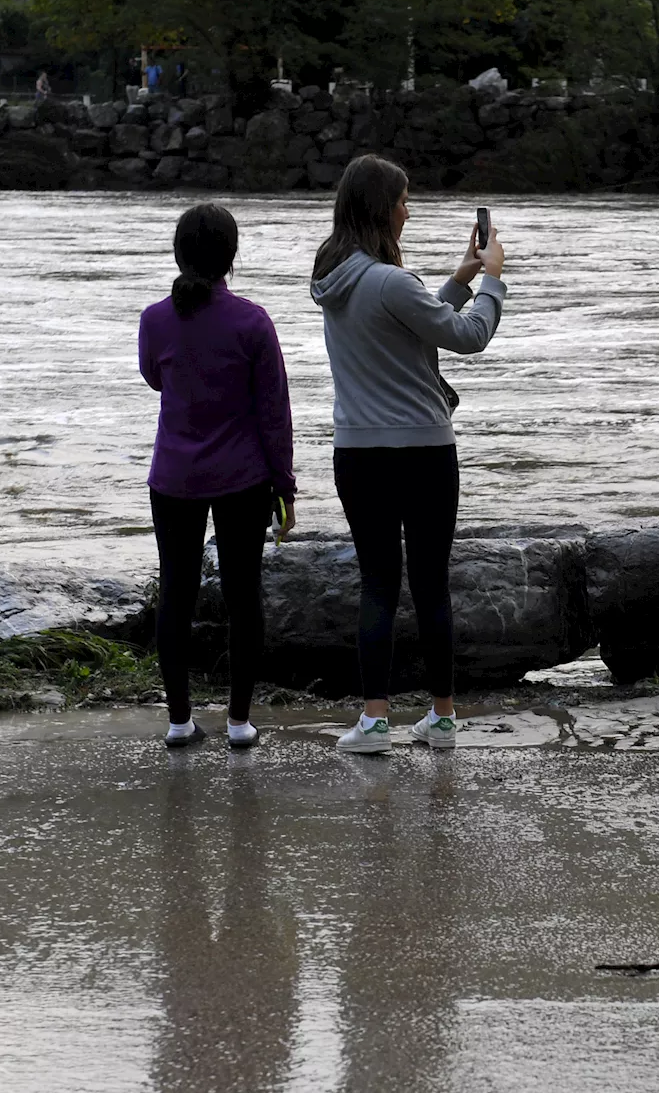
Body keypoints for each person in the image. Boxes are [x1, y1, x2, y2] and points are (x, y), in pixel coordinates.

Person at [310, 155, 507, 755]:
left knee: (377, 584)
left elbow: (409, 322)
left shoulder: (334, 279)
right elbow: (468, 336)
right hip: (423, 450)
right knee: (430, 585)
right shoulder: (392, 282)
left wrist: (459, 279)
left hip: (359, 453)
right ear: (380, 208)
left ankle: (373, 723)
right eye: (402, 200)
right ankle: (442, 718)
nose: (408, 209)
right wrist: (493, 280)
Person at [139, 203, 297, 750]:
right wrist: (285, 485)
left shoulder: (155, 319)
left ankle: (179, 722)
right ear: (232, 258)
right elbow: (275, 412)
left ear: (179, 254)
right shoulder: (253, 322)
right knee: (241, 594)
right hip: (243, 477)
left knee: (175, 593)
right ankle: (238, 723)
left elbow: (153, 378)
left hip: (174, 476)